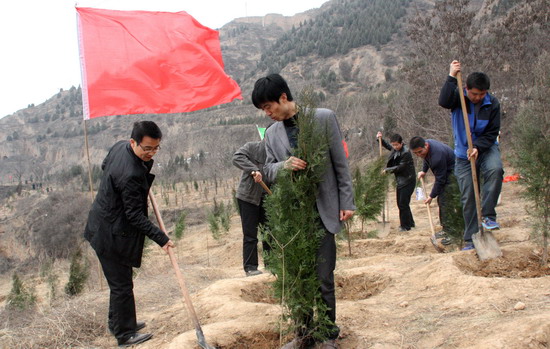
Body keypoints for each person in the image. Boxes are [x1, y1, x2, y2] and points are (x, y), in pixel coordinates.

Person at [252, 74, 355, 349]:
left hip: (323, 211)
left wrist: (347, 201)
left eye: (268, 107)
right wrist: (284, 165)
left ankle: (328, 334)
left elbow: (340, 163)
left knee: (323, 276)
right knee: (298, 276)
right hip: (292, 215)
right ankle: (304, 334)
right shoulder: (272, 134)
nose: (268, 113)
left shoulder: (323, 117)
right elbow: (268, 170)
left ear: (283, 98)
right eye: (263, 110)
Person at [84, 121, 174, 347]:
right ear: (133, 142)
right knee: (122, 285)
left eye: (156, 148)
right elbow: (134, 216)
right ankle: (125, 334)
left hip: (103, 223)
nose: (152, 153)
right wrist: (162, 239)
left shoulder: (119, 147)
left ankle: (120, 322)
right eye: (147, 149)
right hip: (110, 233)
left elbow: (106, 166)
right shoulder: (132, 174)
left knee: (120, 283)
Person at [438, 60, 504, 250]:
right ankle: (470, 237)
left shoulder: (492, 104)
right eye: (474, 93)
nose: (478, 97)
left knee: (495, 169)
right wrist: (451, 76)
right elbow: (443, 101)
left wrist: (478, 147)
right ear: (466, 89)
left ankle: (488, 216)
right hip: (462, 154)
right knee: (467, 194)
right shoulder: (458, 97)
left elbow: (493, 132)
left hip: (486, 147)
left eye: (482, 94)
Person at [232, 139, 271, 277]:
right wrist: (253, 169)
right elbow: (237, 157)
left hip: (267, 198)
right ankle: (250, 267)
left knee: (269, 232)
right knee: (250, 234)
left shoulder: (279, 151)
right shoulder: (252, 147)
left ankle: (271, 264)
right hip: (248, 197)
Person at [409, 136, 456, 244]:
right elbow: (426, 158)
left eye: (420, 152)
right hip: (446, 173)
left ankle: (452, 233)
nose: (419, 155)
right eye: (416, 153)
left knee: (446, 202)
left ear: (426, 145)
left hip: (453, 174)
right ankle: (446, 229)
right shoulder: (428, 145)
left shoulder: (437, 157)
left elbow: (440, 180)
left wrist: (431, 196)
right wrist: (424, 171)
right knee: (442, 201)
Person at [377, 132, 416, 232]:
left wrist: (387, 170)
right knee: (403, 203)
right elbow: (389, 147)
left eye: (397, 145)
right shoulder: (395, 149)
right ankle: (410, 223)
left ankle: (405, 226)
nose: (395, 147)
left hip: (408, 180)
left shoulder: (406, 152)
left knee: (402, 204)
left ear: (401, 143)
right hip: (401, 180)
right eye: (393, 145)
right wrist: (380, 140)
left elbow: (400, 167)